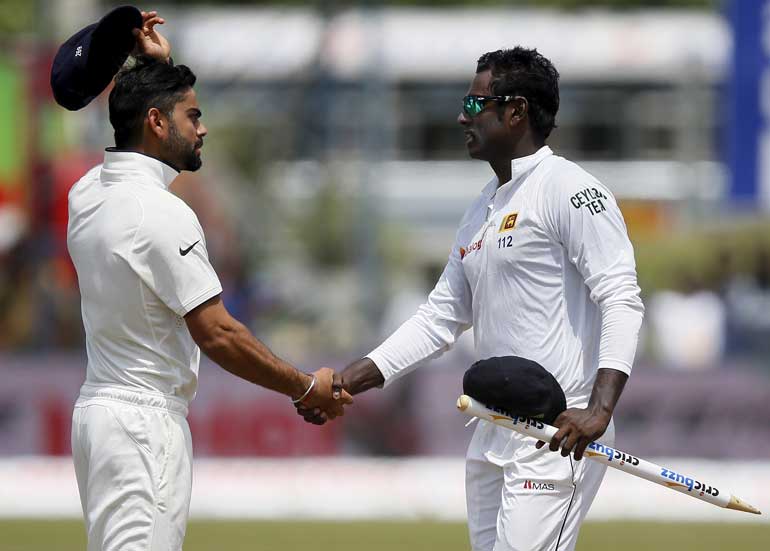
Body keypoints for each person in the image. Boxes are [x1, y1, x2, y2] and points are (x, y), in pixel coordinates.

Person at [302, 47, 644, 551]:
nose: (462, 114)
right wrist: (351, 379)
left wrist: (599, 410)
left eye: (476, 102)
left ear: (517, 111)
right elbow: (440, 317)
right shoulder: (482, 206)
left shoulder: (570, 189)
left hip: (558, 432)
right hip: (491, 427)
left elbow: (621, 297)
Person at [63, 11, 351, 551]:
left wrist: (158, 70)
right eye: (192, 115)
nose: (203, 128)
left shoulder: (87, 194)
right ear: (155, 122)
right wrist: (304, 385)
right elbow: (217, 332)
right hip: (145, 424)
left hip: (98, 415)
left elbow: (128, 140)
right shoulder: (161, 214)